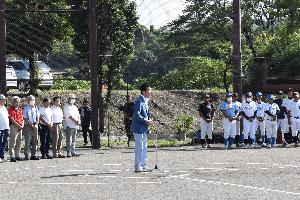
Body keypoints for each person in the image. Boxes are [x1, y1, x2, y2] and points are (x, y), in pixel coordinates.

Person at [131, 83, 154, 172]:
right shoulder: (138, 101)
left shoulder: (145, 101)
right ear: (143, 91)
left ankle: (144, 165)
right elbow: (136, 115)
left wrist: (149, 120)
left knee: (144, 147)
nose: (150, 92)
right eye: (148, 90)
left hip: (144, 128)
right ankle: (138, 166)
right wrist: (146, 121)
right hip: (138, 128)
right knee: (139, 147)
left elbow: (145, 114)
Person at [23, 95, 40, 160]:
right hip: (28, 126)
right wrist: (31, 125)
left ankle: (33, 155)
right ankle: (26, 155)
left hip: (35, 126)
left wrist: (36, 124)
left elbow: (38, 116)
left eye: (33, 100)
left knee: (35, 141)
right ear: (27, 101)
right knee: (28, 141)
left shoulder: (35, 107)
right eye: (31, 100)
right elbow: (25, 118)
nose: (32, 101)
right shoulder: (25, 108)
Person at [8, 96, 24, 162]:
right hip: (14, 127)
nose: (17, 103)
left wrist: (21, 126)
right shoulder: (10, 109)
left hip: (20, 127)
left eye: (17, 101)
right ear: (12, 102)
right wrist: (19, 126)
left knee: (19, 142)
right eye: (15, 101)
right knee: (12, 142)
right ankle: (12, 156)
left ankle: (17, 155)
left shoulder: (19, 109)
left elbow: (22, 118)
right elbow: (12, 119)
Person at [0, 94, 9, 163]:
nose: (4, 101)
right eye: (3, 99)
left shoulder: (4, 108)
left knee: (4, 143)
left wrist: (8, 128)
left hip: (5, 128)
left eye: (5, 99)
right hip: (0, 128)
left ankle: (2, 156)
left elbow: (6, 118)